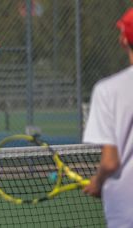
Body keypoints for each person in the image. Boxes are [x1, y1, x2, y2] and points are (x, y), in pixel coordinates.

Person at [82, 8, 133, 228]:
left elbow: (110, 162)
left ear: (124, 40)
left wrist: (97, 181)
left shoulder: (108, 90)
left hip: (125, 209)